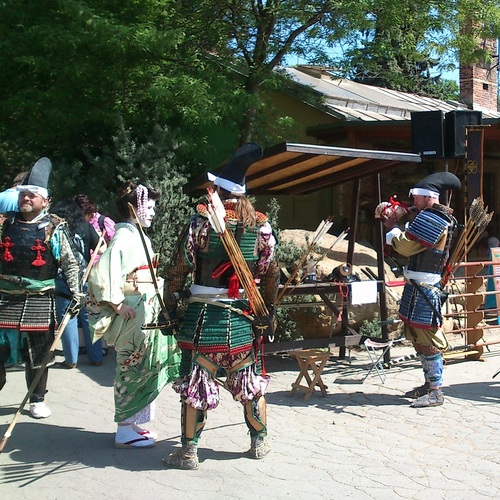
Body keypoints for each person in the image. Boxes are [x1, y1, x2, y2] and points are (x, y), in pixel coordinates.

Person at [163, 143, 280, 470]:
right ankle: (260, 441)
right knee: (249, 380)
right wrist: (268, 311)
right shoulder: (261, 225)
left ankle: (188, 452)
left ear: (217, 191)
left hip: (203, 321)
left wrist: (170, 303)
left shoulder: (200, 221)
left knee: (195, 381)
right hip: (243, 316)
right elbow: (270, 272)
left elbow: (179, 267)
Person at [88, 181, 180, 448]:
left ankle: (133, 423)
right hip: (133, 310)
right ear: (134, 208)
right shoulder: (123, 236)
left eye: (153, 208)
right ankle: (123, 429)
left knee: (145, 365)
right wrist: (117, 304)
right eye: (149, 208)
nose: (153, 213)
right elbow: (102, 274)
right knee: (130, 365)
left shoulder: (137, 235)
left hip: (146, 307)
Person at [0, 158, 82, 418]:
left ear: (45, 201)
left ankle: (36, 398)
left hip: (39, 298)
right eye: (23, 194)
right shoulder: (4, 225)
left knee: (38, 352)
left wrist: (76, 293)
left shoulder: (54, 228)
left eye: (32, 195)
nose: (26, 198)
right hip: (4, 297)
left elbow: (70, 263)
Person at [378, 171, 461, 408]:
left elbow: (405, 247)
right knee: (416, 335)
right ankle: (428, 384)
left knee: (426, 336)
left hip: (425, 286)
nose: (413, 200)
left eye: (417, 197)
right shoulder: (427, 216)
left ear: (429, 197)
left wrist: (394, 228)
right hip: (417, 284)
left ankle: (436, 390)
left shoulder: (433, 219)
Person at [51, 199, 105, 368]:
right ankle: (96, 357)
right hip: (86, 279)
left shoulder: (56, 229)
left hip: (63, 280)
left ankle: (71, 360)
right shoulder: (85, 226)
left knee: (68, 318)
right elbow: (102, 248)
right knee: (90, 318)